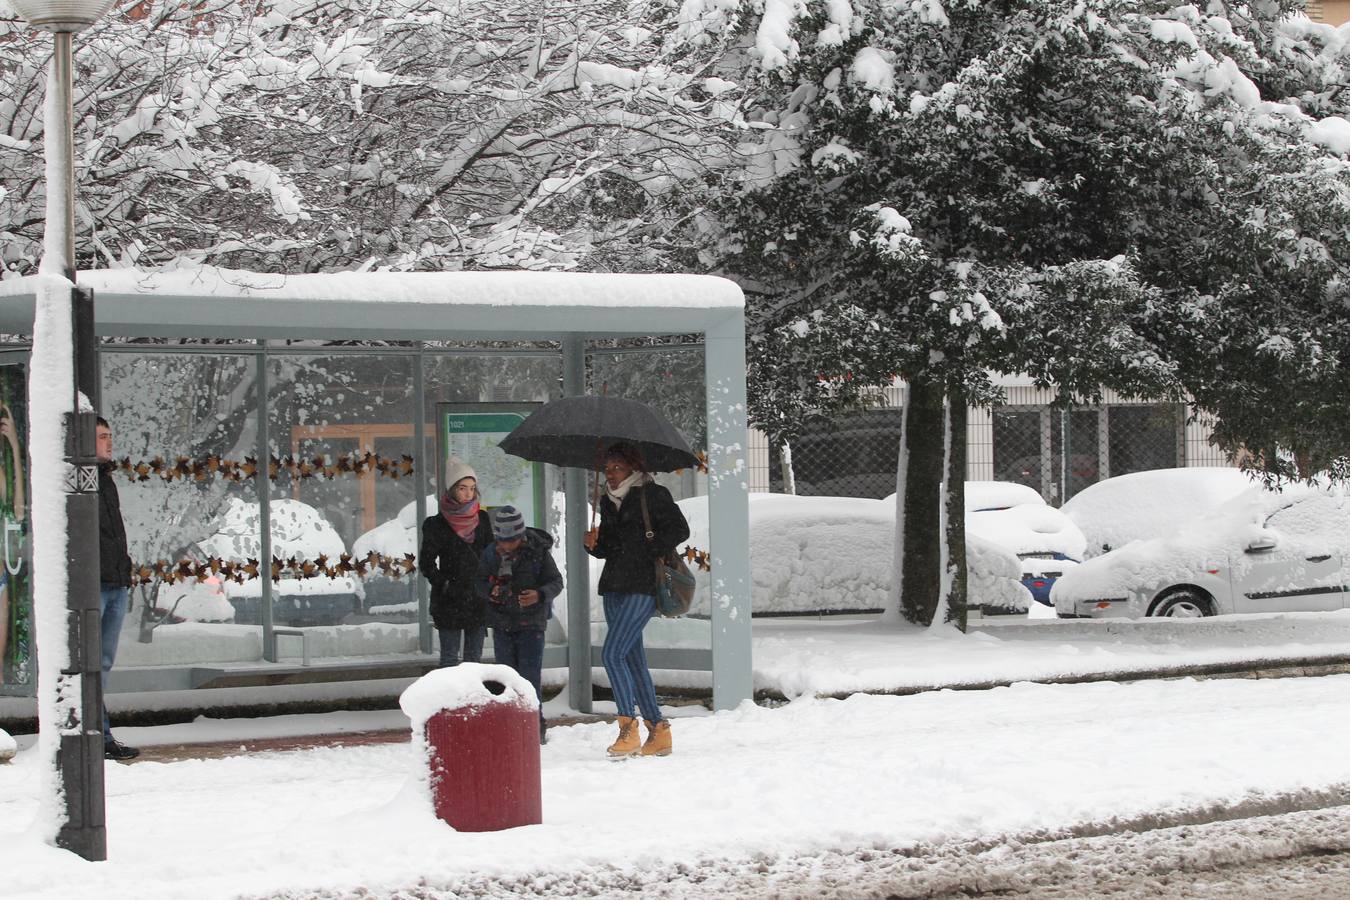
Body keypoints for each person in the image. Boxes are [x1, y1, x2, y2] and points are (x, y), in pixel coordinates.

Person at [584, 442, 689, 758]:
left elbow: (679, 530)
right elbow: (610, 548)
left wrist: (648, 544)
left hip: (643, 585)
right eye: (607, 470)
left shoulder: (652, 495)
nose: (611, 475)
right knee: (632, 659)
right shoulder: (607, 501)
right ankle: (658, 731)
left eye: (616, 468)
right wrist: (594, 545)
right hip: (614, 586)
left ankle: (627, 728)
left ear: (632, 468)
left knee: (612, 654)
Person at [477, 505, 562, 745]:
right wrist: (491, 591)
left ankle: (535, 725)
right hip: (502, 622)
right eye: (502, 541)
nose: (507, 546)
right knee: (506, 679)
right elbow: (479, 581)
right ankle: (510, 725)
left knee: (529, 677)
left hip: (532, 623)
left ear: (521, 536)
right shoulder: (490, 554)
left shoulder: (538, 551)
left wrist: (539, 594)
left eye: (512, 540)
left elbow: (556, 581)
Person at [420, 457, 493, 667]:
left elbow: (492, 554)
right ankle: (450, 700)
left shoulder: (482, 519)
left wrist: (488, 582)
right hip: (449, 600)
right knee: (449, 661)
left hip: (477, 597)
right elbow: (427, 562)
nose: (468, 493)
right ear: (451, 489)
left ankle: (473, 700)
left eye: (472, 488)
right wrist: (444, 584)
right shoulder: (436, 524)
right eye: (462, 488)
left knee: (474, 662)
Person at [97, 416, 139, 761]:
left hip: (114, 583)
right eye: (102, 437)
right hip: (93, 585)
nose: (109, 442)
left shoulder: (107, 481)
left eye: (110, 435)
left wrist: (124, 572)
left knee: (103, 662)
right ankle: (98, 733)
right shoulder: (75, 479)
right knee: (90, 663)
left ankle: (100, 732)